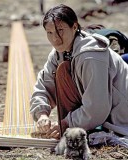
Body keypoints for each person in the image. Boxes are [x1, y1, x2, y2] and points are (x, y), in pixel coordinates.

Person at [30, 4, 128, 139]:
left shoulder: (90, 55)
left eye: (60, 30)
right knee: (62, 70)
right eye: (50, 32)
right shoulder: (59, 53)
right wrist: (42, 114)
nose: (55, 39)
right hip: (103, 111)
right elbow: (44, 85)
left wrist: (66, 123)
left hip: (121, 114)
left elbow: (97, 108)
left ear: (74, 27)